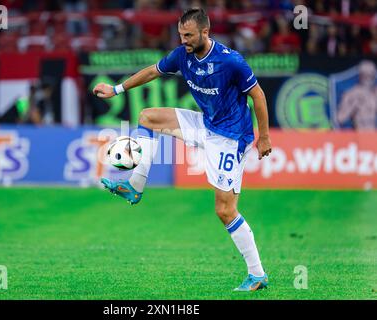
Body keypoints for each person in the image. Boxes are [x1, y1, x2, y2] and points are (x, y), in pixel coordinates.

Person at [93, 8, 272, 292]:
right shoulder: (182, 55)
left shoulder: (231, 62)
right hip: (204, 123)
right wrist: (116, 89)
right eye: (181, 35)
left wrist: (263, 136)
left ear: (205, 32)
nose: (184, 40)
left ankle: (258, 274)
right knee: (147, 117)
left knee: (225, 211)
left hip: (230, 136)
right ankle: (134, 186)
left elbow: (258, 95)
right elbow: (153, 70)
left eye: (188, 35)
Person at [337, 60, 377, 130]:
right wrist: (353, 105)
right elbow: (340, 118)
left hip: (373, 134)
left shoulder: (374, 92)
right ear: (360, 75)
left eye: (371, 75)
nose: (369, 78)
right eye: (366, 75)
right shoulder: (351, 93)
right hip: (359, 133)